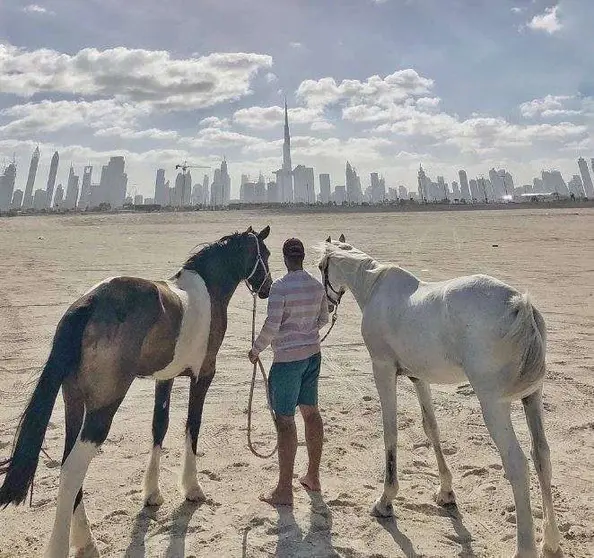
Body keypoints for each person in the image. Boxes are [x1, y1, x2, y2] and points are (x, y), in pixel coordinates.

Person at [248, 237, 329, 506]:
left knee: (284, 421)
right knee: (311, 412)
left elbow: (272, 325)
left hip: (287, 362)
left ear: (284, 259)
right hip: (312, 356)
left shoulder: (280, 288)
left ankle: (284, 490)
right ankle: (313, 477)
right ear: (303, 257)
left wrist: (256, 349)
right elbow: (323, 319)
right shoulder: (317, 286)